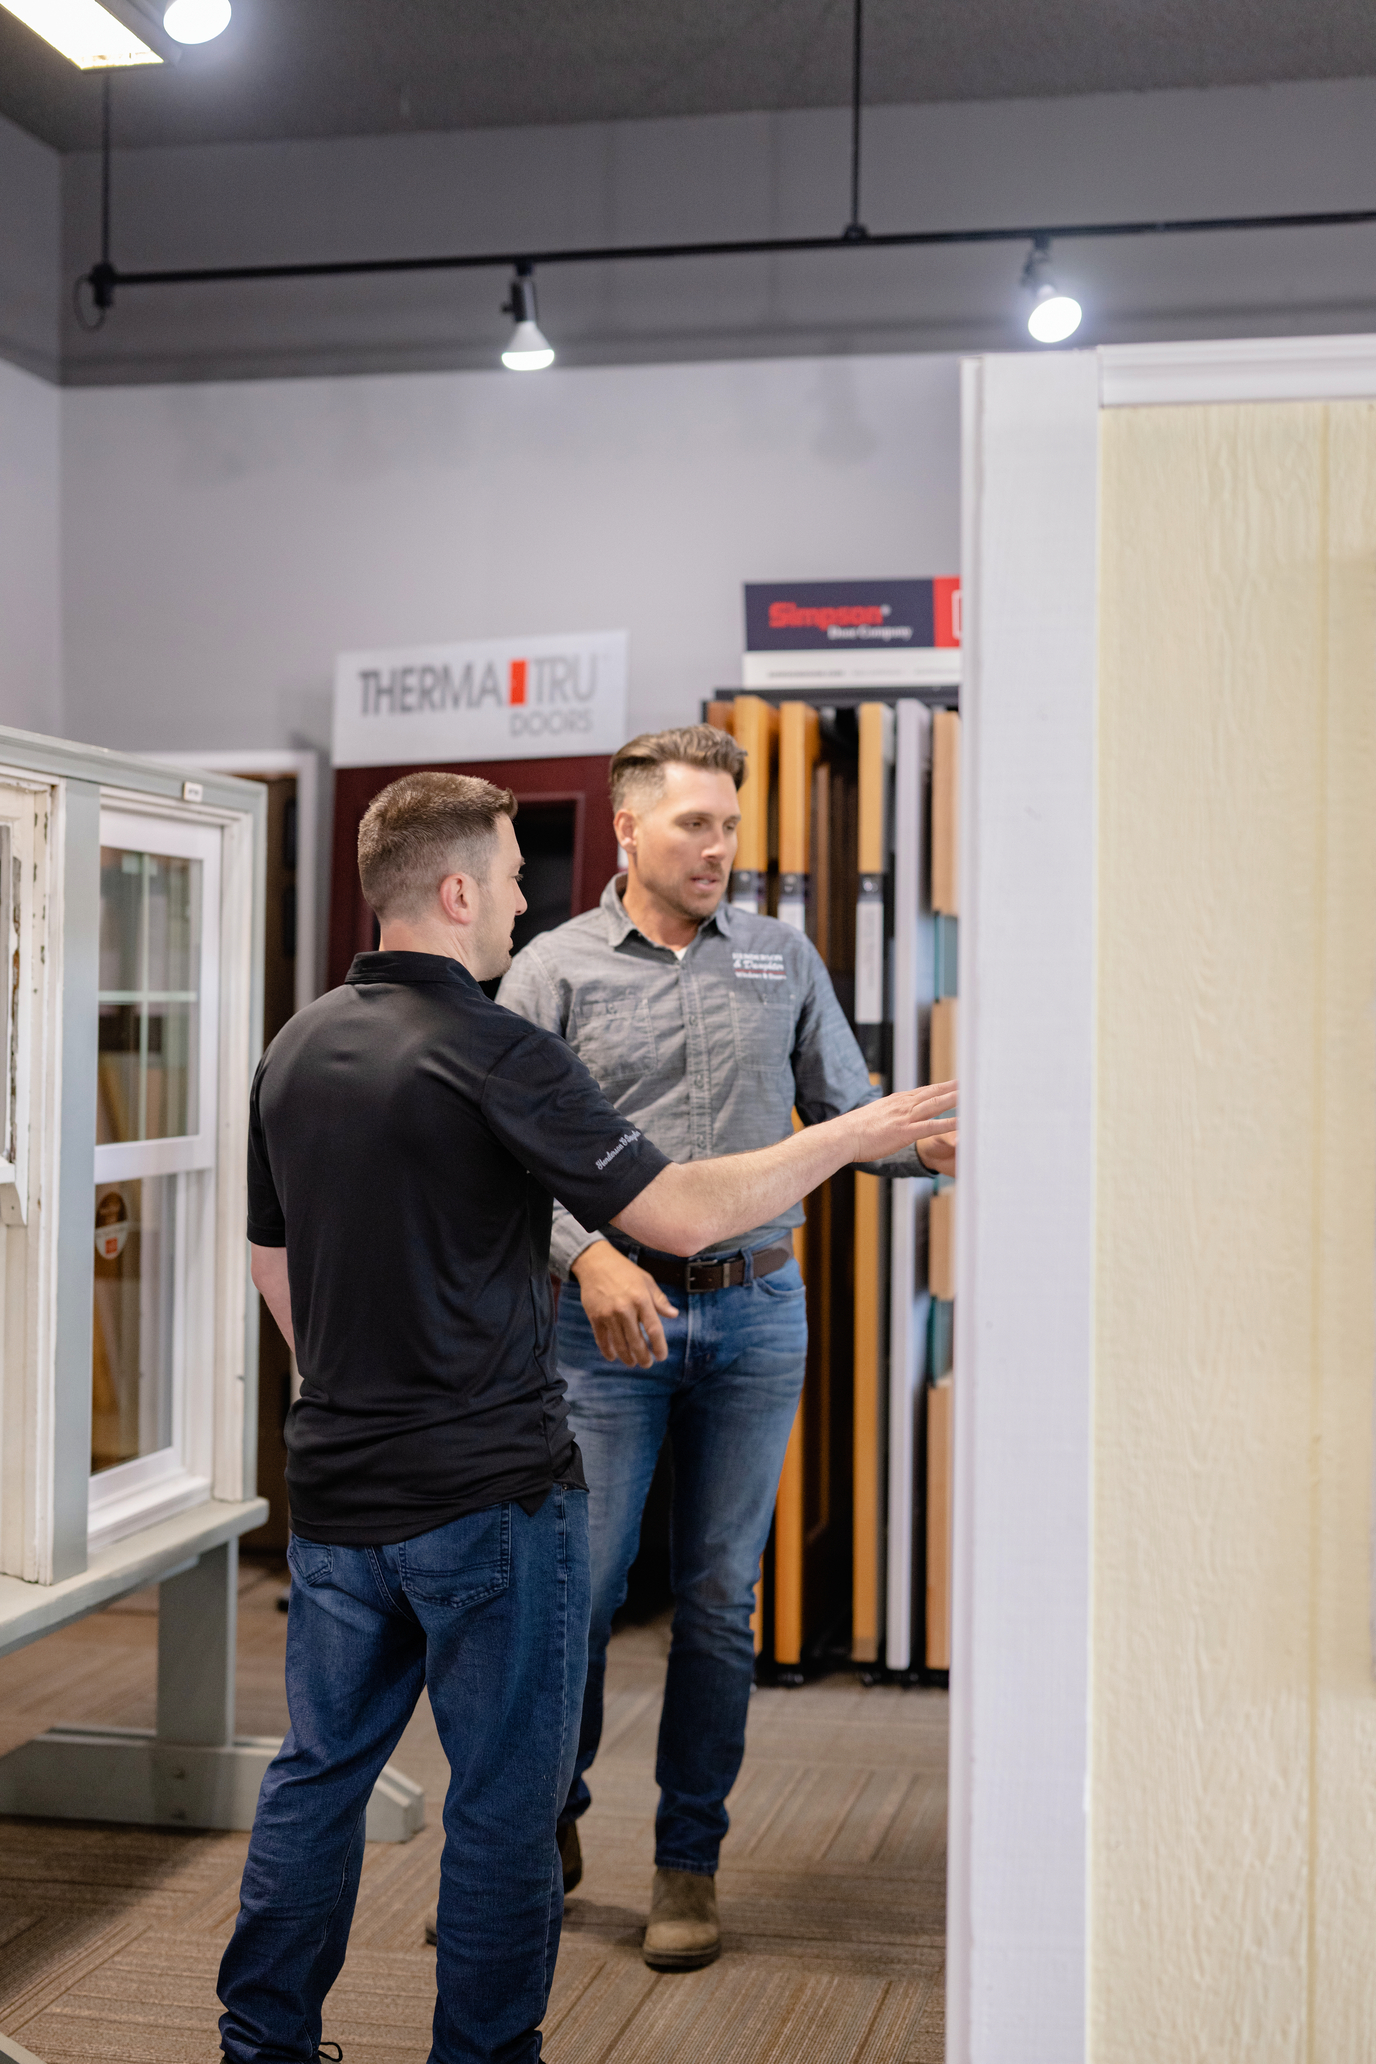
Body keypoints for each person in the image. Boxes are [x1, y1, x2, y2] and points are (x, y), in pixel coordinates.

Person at [216, 768, 957, 2064]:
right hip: (491, 1496)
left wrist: (362, 1397)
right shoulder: (497, 1044)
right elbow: (676, 1213)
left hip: (336, 1491)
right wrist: (856, 1133)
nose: (522, 901)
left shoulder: (297, 1044)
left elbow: (275, 1270)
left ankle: (260, 2045)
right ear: (457, 893)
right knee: (505, 1807)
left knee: (316, 1775)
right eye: (510, 879)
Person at [496, 724, 958, 1975]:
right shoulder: (552, 971)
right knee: (579, 1593)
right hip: (605, 1323)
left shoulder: (777, 956)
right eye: (694, 823)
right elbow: (498, 1155)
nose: (719, 847)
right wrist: (583, 1258)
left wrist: (922, 1146)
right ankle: (537, 1836)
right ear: (628, 827)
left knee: (717, 1599)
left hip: (755, 1315)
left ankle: (686, 1861)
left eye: (730, 825)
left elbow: (845, 1114)